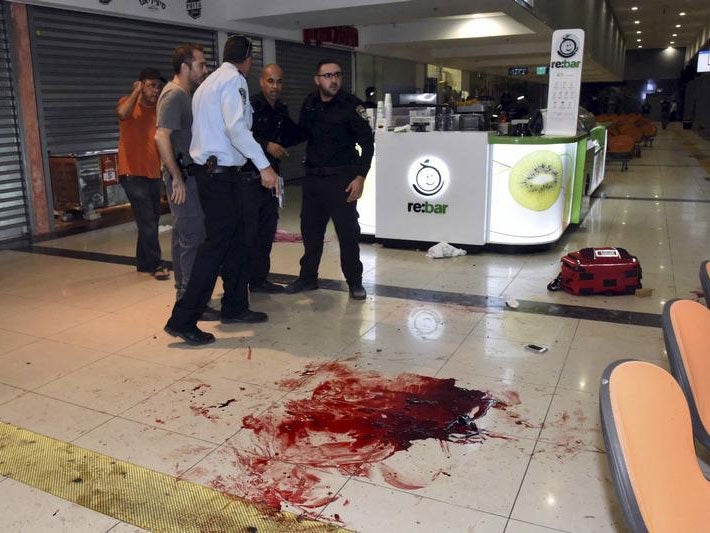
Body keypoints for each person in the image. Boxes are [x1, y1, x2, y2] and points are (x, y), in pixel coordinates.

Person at [164, 35, 279, 345]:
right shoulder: (234, 81)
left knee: (239, 239)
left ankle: (235, 306)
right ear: (248, 59)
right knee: (216, 245)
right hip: (219, 177)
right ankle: (183, 318)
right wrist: (264, 165)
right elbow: (236, 128)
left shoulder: (208, 84)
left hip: (216, 174)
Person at [284, 59, 374, 300]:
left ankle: (355, 282)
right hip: (313, 180)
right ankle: (307, 278)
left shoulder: (352, 106)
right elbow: (301, 133)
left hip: (341, 180)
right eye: (328, 76)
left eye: (337, 75)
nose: (333, 80)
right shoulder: (310, 103)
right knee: (310, 232)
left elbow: (367, 144)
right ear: (317, 79)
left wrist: (361, 177)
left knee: (347, 234)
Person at [154, 43, 220, 321]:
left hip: (188, 175)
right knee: (193, 238)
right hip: (183, 177)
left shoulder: (184, 94)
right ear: (185, 66)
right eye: (201, 65)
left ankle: (184, 295)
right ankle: (190, 303)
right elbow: (160, 136)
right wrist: (177, 178)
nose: (204, 70)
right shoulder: (174, 96)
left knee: (184, 237)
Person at [243, 63, 303, 294]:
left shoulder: (281, 109)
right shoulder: (251, 106)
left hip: (273, 178)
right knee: (249, 233)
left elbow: (292, 134)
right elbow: (239, 135)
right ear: (261, 81)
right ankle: (241, 282)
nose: (275, 86)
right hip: (250, 178)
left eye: (279, 81)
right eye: (271, 81)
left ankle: (259, 280)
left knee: (267, 231)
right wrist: (266, 144)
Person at [116, 68, 168, 281]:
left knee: (151, 219)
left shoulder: (159, 110)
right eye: (151, 85)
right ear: (140, 84)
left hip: (153, 173)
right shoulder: (128, 103)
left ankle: (143, 262)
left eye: (158, 86)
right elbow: (121, 114)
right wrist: (136, 93)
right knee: (147, 219)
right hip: (131, 172)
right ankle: (155, 264)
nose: (156, 90)